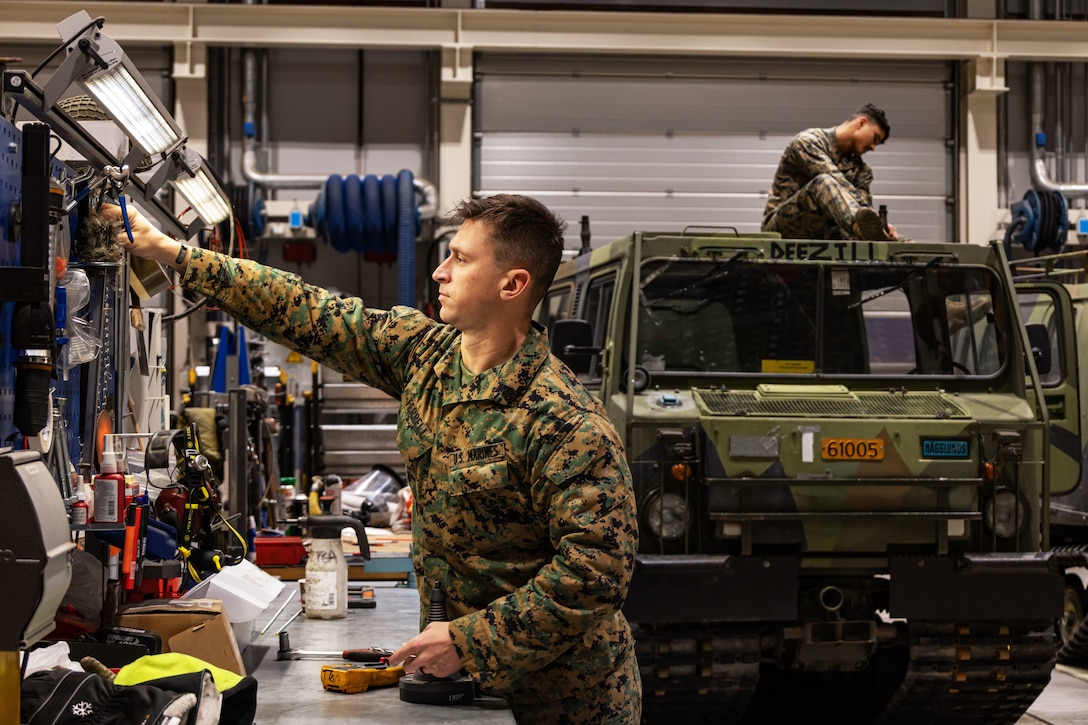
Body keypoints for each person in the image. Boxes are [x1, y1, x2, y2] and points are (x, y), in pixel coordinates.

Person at [97, 194, 641, 724]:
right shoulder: (427, 358)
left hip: (564, 698)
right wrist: (173, 253)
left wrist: (471, 641)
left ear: (512, 284)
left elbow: (597, 570)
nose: (440, 273)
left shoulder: (563, 419)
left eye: (461, 258)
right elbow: (306, 309)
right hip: (463, 684)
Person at [763, 102, 899, 242]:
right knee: (823, 182)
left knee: (882, 233)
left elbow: (864, 209)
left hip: (827, 233)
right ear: (861, 123)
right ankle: (860, 229)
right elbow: (833, 179)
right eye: (874, 138)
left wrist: (881, 227)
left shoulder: (861, 170)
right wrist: (867, 223)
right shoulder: (808, 142)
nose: (873, 147)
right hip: (782, 228)